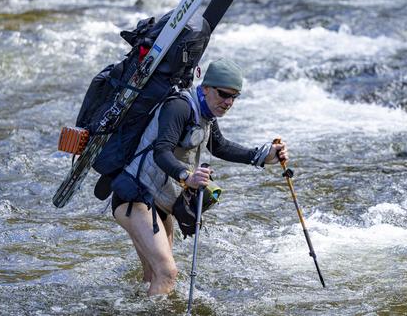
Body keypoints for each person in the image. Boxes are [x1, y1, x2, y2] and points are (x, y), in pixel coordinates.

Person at [109, 58, 288, 295]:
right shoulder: (180, 107)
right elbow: (161, 151)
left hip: (159, 205)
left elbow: (220, 146)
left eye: (235, 97)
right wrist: (186, 176)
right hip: (135, 197)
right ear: (206, 88)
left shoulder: (206, 114)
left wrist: (261, 156)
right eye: (224, 94)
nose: (228, 102)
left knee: (153, 275)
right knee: (167, 273)